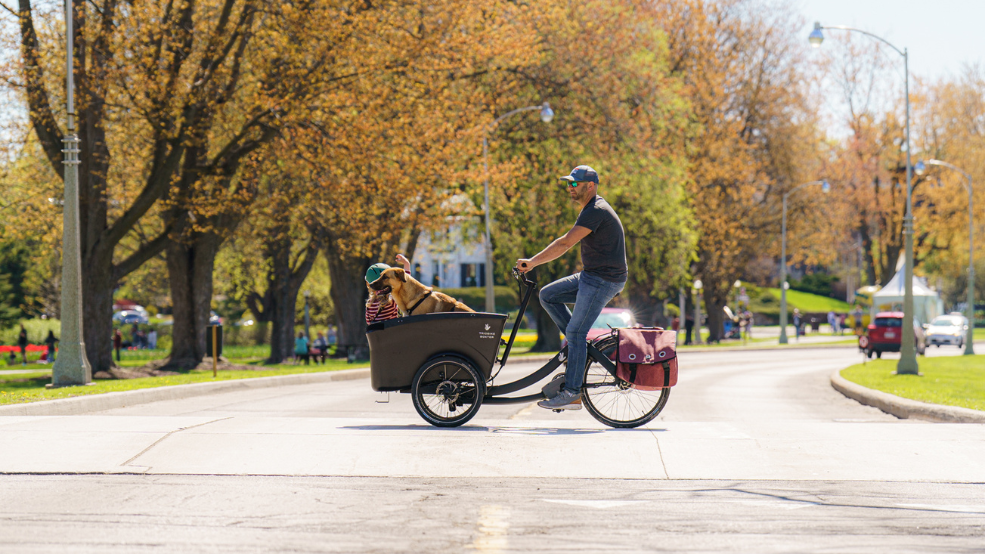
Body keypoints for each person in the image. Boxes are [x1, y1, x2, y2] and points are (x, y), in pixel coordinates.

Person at [517, 165, 627, 411]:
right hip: (591, 275)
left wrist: (533, 262)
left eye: (574, 184)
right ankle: (578, 353)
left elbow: (565, 243)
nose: (570, 187)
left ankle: (572, 392)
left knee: (577, 334)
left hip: (604, 280)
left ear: (591, 186)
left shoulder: (596, 210)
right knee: (548, 295)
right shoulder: (589, 209)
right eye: (568, 183)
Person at [365, 254, 412, 325]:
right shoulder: (392, 300)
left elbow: (369, 323)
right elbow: (405, 284)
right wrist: (406, 264)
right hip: (393, 334)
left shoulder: (369, 304)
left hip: (378, 336)